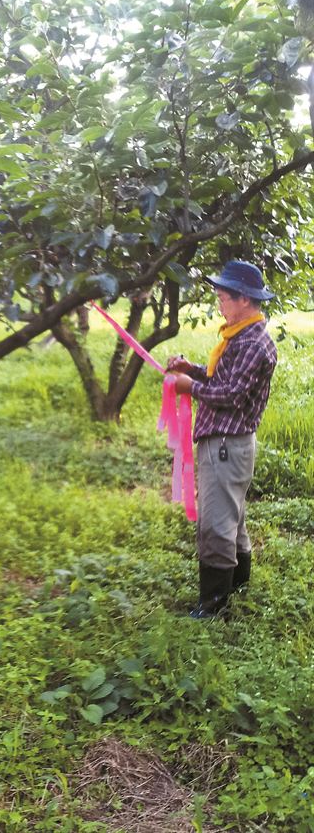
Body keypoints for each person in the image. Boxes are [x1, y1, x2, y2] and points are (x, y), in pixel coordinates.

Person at [167, 260, 277, 619]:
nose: (219, 304)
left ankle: (213, 606)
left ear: (244, 299)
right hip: (228, 444)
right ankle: (236, 586)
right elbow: (221, 377)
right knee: (234, 518)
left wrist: (190, 387)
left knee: (216, 522)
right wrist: (192, 370)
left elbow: (230, 394)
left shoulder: (252, 343)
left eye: (223, 297)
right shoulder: (239, 335)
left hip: (227, 446)